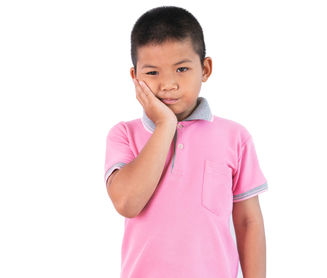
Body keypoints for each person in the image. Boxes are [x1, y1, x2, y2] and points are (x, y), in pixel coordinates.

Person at [104, 5, 268, 278]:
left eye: (181, 68)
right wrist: (165, 125)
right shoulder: (123, 134)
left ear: (205, 69)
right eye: (152, 73)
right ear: (135, 78)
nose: (168, 84)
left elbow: (248, 222)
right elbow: (127, 203)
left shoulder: (235, 137)